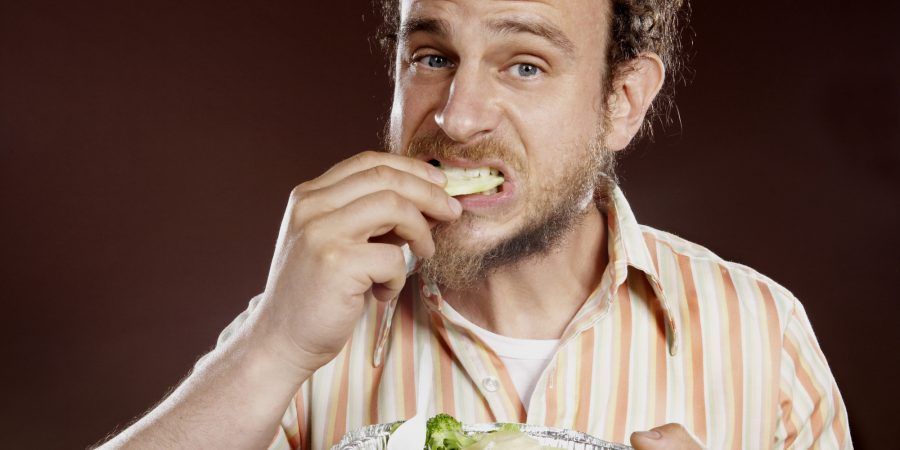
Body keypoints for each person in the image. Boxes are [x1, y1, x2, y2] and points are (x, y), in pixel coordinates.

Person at [98, 0, 851, 449]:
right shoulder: (300, 326)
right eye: (431, 56)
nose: (457, 118)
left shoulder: (764, 333)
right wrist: (274, 348)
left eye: (525, 65)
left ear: (623, 100)